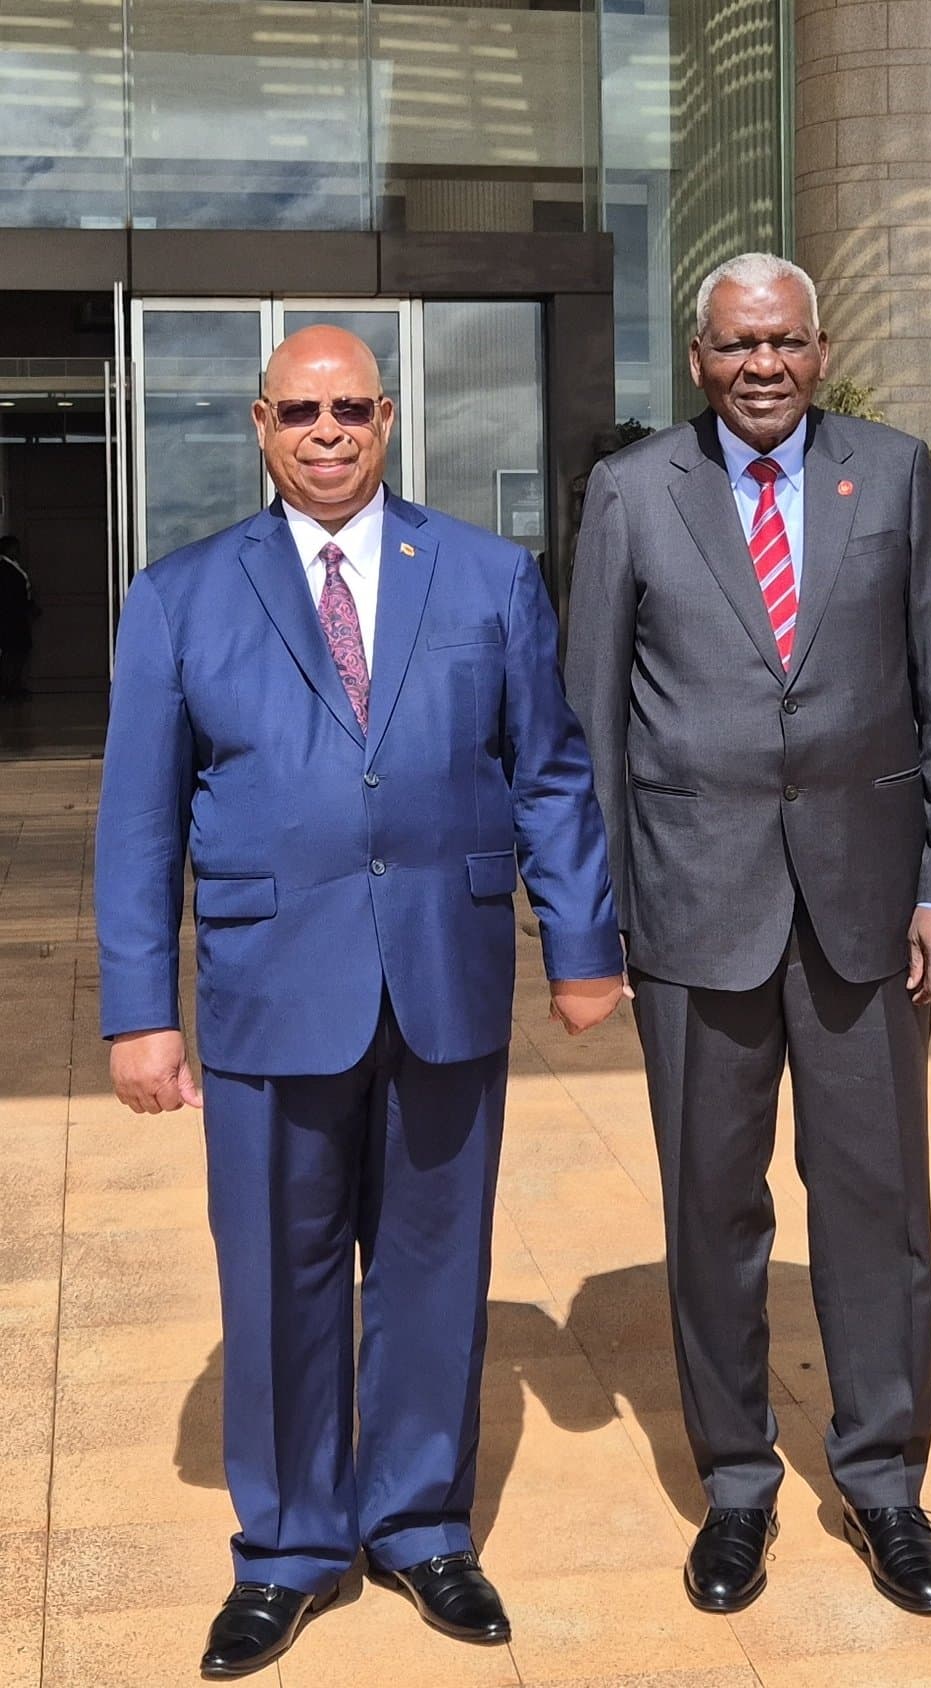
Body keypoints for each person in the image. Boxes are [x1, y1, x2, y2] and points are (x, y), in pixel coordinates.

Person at [95, 326, 625, 1679]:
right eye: (299, 412)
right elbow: (138, 822)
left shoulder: (489, 575)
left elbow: (550, 772)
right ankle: (286, 1548)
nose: (325, 432)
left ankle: (421, 1522)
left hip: (443, 973)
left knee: (436, 1265)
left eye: (349, 409)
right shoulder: (179, 596)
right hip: (269, 989)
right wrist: (139, 1010)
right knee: (277, 1273)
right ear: (260, 424)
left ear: (386, 419)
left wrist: (580, 944)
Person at [565, 253, 931, 1619]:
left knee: (876, 1202)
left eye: (787, 341)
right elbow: (591, 721)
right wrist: (588, 924)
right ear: (697, 357)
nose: (764, 365)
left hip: (868, 910)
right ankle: (736, 1484)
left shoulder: (893, 472)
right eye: (738, 344)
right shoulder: (632, 490)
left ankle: (884, 1482)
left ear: (819, 349)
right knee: (711, 1206)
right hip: (692, 911)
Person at [0, 534, 36, 701]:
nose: (18, 550)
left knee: (19, 652)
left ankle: (14, 686)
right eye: (15, 547)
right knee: (12, 654)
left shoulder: (13, 567)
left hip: (16, 617)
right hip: (11, 618)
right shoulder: (5, 569)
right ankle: (8, 688)